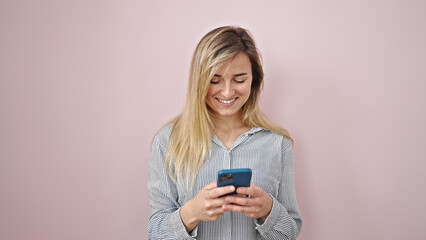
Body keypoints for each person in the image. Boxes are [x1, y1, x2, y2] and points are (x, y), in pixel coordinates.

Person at [147, 26, 302, 239]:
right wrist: (191, 213)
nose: (228, 92)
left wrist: (268, 210)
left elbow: (290, 233)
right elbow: (155, 233)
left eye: (239, 80)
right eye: (215, 80)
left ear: (254, 80)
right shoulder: (168, 142)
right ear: (199, 80)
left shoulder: (277, 143)